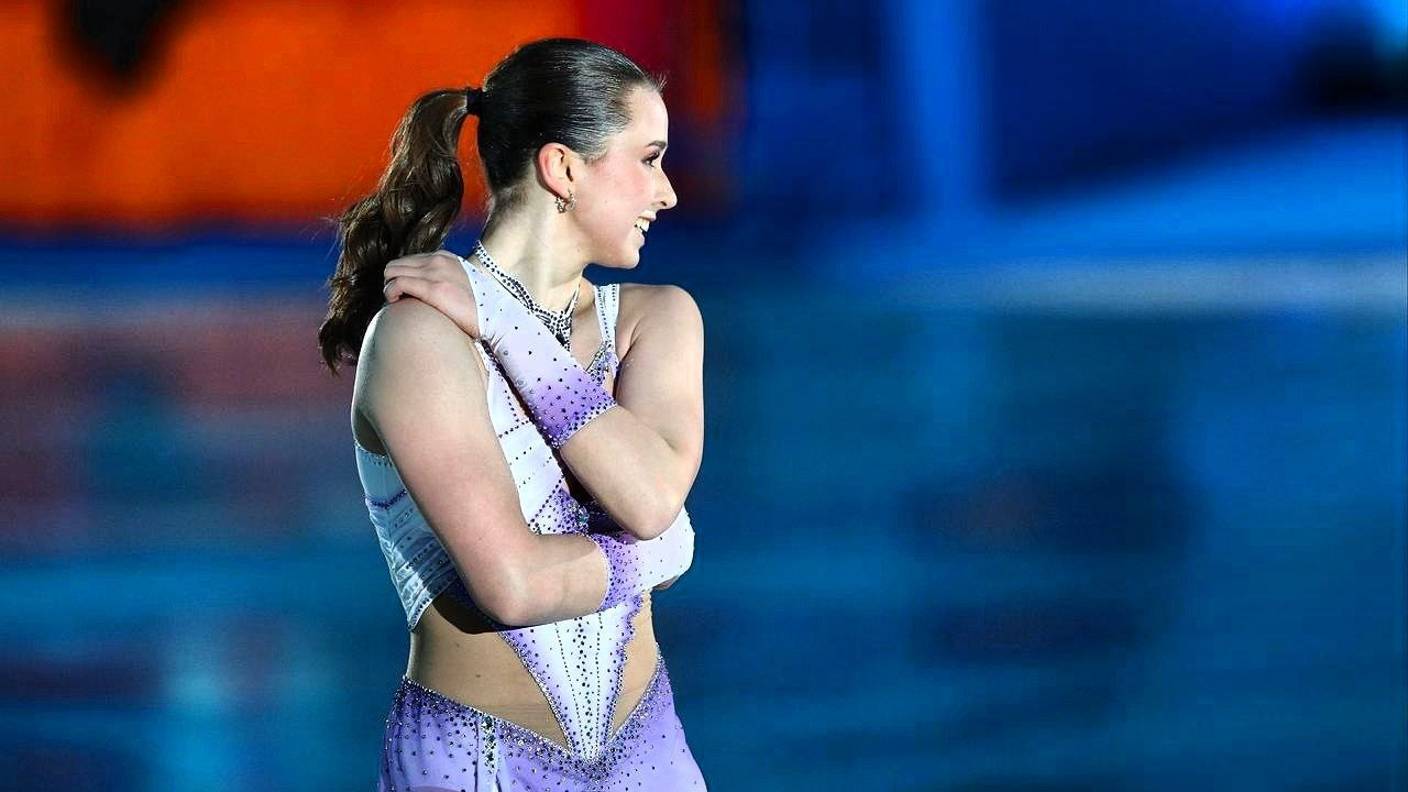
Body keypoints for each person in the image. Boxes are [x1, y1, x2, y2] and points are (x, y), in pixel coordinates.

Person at [316, 38, 707, 790]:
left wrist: (503, 321)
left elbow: (651, 497)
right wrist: (662, 555)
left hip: (651, 754)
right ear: (562, 168)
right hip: (478, 761)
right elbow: (515, 586)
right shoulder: (417, 337)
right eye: (649, 159)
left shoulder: (658, 320)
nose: (667, 193)